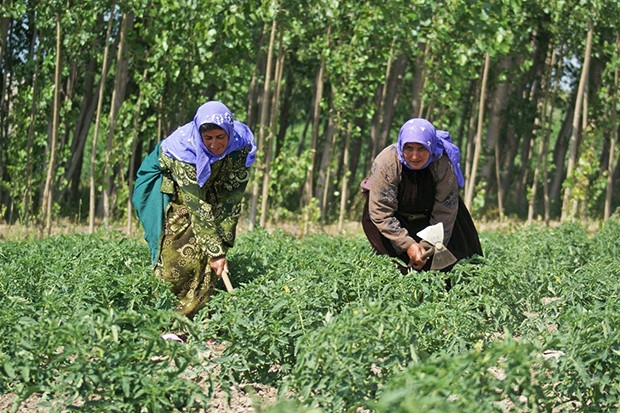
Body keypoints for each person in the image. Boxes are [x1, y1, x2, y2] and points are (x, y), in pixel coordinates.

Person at [132, 101, 257, 319]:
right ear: (199, 136)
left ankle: (203, 319)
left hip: (211, 186)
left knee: (212, 252)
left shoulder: (241, 145)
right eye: (207, 138)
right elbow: (197, 207)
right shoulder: (185, 150)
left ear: (229, 133)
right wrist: (214, 251)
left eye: (220, 137)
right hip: (174, 192)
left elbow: (232, 198)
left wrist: (221, 246)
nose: (214, 144)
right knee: (178, 254)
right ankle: (168, 320)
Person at [361, 117, 482, 275]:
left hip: (433, 217)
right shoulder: (387, 163)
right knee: (394, 271)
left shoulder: (443, 164)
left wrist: (427, 247)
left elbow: (444, 211)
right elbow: (381, 211)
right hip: (394, 217)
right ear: (401, 146)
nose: (414, 156)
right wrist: (408, 245)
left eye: (421, 148)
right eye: (409, 148)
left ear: (431, 147)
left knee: (458, 269)